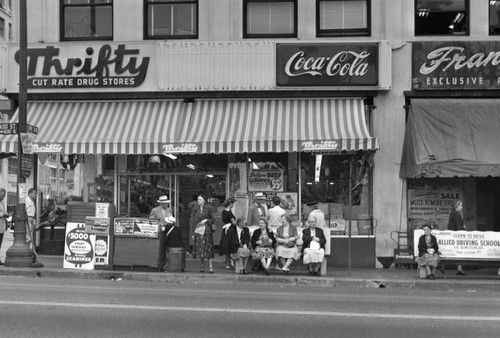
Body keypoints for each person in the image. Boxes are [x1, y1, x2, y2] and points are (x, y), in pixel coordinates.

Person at [191, 193, 216, 273]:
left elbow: (213, 219)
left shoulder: (209, 208)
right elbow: (193, 221)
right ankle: (202, 266)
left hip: (207, 231)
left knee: (207, 249)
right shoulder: (195, 209)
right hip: (198, 231)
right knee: (200, 249)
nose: (198, 201)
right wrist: (193, 233)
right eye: (198, 199)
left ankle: (210, 266)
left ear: (204, 200)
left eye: (200, 199)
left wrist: (207, 220)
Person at [448, 200, 466, 275]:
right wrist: (463, 229)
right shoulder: (456, 214)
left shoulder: (454, 213)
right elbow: (458, 226)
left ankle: (459, 269)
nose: (461, 207)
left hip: (454, 234)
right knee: (458, 252)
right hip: (456, 236)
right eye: (461, 205)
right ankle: (443, 266)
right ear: (457, 206)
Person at [26, 188, 43, 268]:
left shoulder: (32, 202)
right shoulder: (26, 200)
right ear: (30, 193)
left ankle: (30, 254)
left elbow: (32, 213)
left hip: (31, 220)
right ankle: (27, 254)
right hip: (28, 221)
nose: (36, 195)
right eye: (34, 193)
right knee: (28, 238)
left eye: (36, 194)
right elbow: (26, 212)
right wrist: (29, 220)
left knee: (31, 238)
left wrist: (34, 223)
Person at [219, 197, 237, 269]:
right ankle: (231, 263)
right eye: (233, 203)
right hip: (231, 230)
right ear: (231, 204)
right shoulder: (229, 213)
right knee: (231, 246)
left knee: (226, 246)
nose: (233, 205)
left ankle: (228, 262)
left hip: (226, 229)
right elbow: (234, 223)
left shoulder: (224, 211)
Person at [0, 188, 10, 265]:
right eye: (2, 195)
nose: (3, 197)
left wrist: (6, 214)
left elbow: (3, 212)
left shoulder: (2, 202)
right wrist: (3, 214)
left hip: (2, 226)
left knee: (0, 243)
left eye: (4, 195)